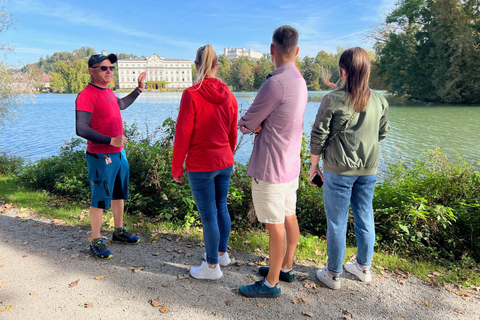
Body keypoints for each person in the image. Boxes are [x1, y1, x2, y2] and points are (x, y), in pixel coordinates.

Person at [309, 47, 390, 289]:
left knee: (337, 222)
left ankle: (333, 274)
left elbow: (318, 135)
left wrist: (314, 166)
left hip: (338, 171)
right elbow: (383, 133)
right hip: (368, 170)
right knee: (365, 216)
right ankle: (363, 268)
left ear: (343, 71)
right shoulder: (380, 100)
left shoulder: (332, 98)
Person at [238, 25, 308, 298]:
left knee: (274, 226)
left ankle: (271, 283)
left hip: (271, 167)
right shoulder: (299, 81)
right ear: (297, 51)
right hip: (290, 165)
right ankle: (286, 267)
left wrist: (253, 124)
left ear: (272, 50)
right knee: (289, 216)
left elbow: (247, 123)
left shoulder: (275, 83)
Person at [172, 45, 238, 280]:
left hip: (202, 164)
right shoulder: (229, 95)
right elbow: (232, 132)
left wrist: (176, 166)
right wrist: (227, 154)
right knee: (221, 207)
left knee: (209, 215)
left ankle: (211, 267)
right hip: (224, 161)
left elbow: (183, 134)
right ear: (217, 65)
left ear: (196, 65)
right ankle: (221, 254)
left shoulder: (192, 94)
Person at [75, 53, 146, 259]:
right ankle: (96, 240)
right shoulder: (86, 95)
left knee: (118, 193)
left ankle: (118, 230)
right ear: (91, 70)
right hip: (100, 155)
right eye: (103, 68)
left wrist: (139, 89)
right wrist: (110, 140)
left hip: (118, 154)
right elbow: (81, 128)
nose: (109, 71)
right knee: (100, 197)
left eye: (111, 68)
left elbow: (121, 105)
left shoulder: (107, 92)